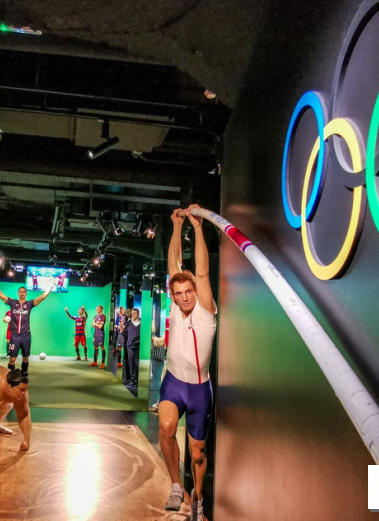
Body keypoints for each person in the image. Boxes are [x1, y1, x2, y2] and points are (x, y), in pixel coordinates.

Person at [158, 205, 217, 521]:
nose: (183, 297)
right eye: (178, 292)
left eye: (188, 291)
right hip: (174, 383)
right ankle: (176, 486)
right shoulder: (174, 306)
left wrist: (197, 226)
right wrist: (176, 226)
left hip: (198, 391)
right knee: (167, 427)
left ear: (196, 292)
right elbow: (173, 263)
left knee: (197, 452)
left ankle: (198, 497)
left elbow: (202, 272)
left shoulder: (205, 312)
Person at [0, 276, 53, 375]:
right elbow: (1, 295)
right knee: (12, 359)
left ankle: (23, 376)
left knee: (25, 358)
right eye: (20, 292)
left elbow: (42, 297)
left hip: (26, 335)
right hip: (15, 335)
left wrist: (51, 287)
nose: (22, 293)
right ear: (18, 293)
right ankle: (11, 376)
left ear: (26, 293)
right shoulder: (12, 303)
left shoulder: (30, 304)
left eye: (24, 292)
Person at [122, 308, 141, 386]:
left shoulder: (142, 324)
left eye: (134, 313)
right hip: (130, 345)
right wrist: (121, 331)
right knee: (131, 363)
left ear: (138, 314)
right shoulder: (128, 324)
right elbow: (124, 335)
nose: (133, 315)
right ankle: (132, 380)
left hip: (139, 346)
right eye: (132, 313)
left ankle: (137, 379)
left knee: (137, 363)